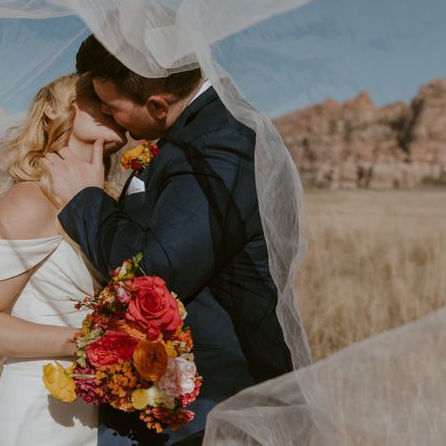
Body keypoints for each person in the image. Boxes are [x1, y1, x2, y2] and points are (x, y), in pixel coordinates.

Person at [40, 34, 296, 446]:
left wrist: (86, 201)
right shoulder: (192, 131)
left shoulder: (218, 140)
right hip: (167, 395)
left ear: (158, 104)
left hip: (215, 399)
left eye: (112, 105)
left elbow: (157, 267)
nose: (105, 112)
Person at [0, 73, 127, 446]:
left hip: (101, 405)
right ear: (51, 107)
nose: (109, 103)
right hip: (42, 411)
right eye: (92, 96)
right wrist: (93, 342)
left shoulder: (110, 207)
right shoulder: (29, 201)